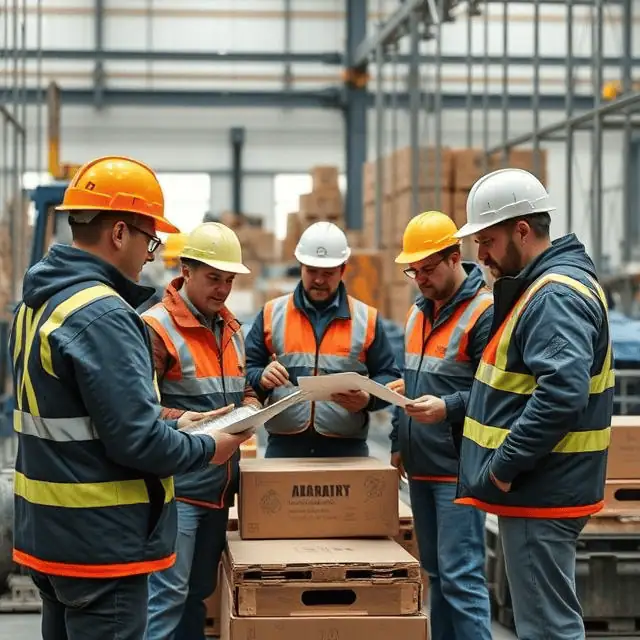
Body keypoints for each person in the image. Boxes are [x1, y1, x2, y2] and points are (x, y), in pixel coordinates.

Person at [9, 155, 252, 640]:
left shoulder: (37, 305)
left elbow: (92, 417)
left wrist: (184, 424)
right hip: (102, 543)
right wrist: (210, 447)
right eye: (150, 239)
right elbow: (136, 443)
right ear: (119, 233)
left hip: (49, 536)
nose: (151, 255)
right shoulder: (104, 315)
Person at [454, 168, 614, 640]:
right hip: (542, 487)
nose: (479, 255)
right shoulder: (547, 286)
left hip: (538, 488)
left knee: (547, 629)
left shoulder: (553, 296)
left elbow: (561, 394)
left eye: (486, 240)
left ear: (521, 231)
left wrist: (504, 466)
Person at [143, 222, 261, 640]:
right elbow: (137, 413)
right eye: (214, 278)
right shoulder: (156, 328)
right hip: (178, 490)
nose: (223, 289)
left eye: (229, 280)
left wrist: (253, 409)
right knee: (167, 597)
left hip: (218, 488)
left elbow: (244, 389)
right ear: (185, 270)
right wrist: (196, 423)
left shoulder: (230, 328)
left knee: (197, 593)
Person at [389, 211, 493, 640]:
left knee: (461, 579)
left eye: (428, 269)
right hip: (421, 467)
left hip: (459, 470)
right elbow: (410, 382)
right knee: (435, 574)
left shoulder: (485, 313)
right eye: (414, 270)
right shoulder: (417, 314)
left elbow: (498, 398)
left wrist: (447, 406)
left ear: (455, 258)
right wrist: (398, 441)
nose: (420, 279)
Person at [245, 221, 401, 458]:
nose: (319, 280)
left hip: (347, 450)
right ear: (300, 266)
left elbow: (389, 376)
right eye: (312, 271)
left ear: (343, 270)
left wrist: (368, 400)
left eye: (327, 273)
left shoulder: (366, 319)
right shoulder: (271, 314)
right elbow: (244, 368)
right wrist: (261, 377)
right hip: (284, 448)